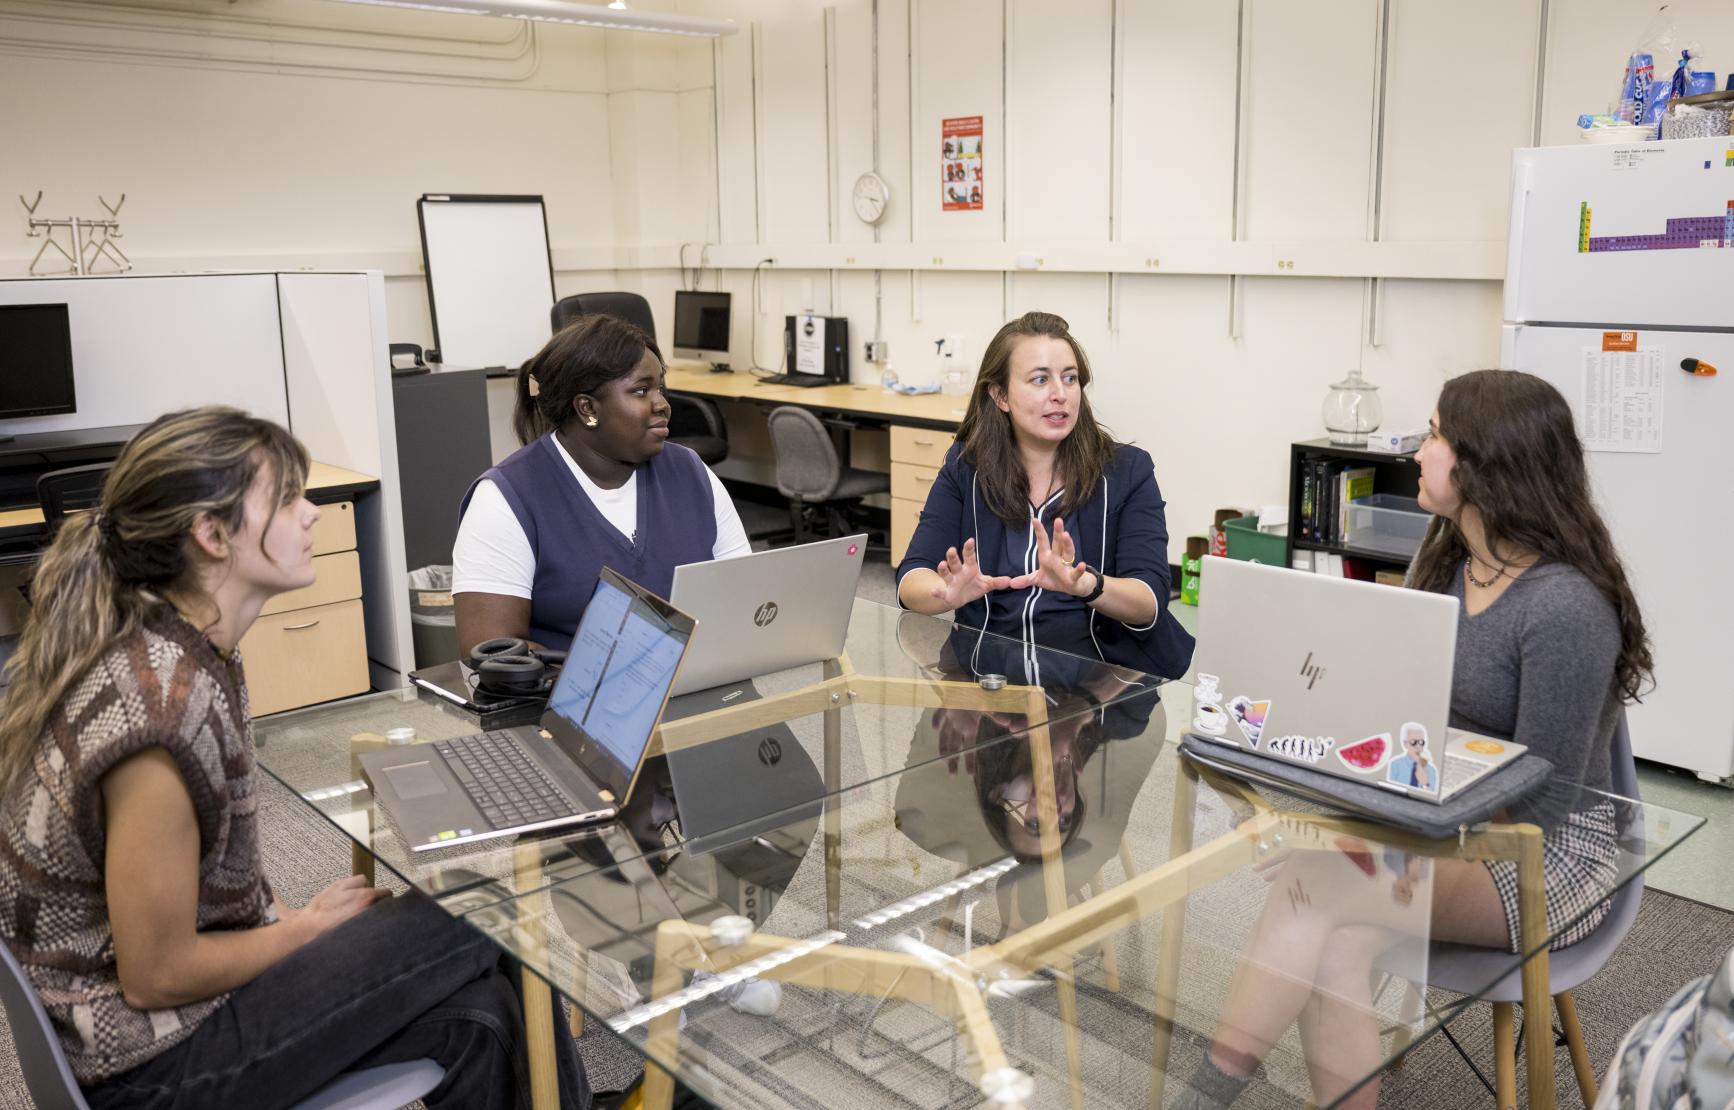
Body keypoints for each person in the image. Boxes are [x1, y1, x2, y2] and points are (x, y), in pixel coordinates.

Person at [0, 407, 589, 1110]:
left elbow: (206, 874)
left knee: (481, 1017)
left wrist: (283, 917)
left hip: (159, 1032)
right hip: (147, 1071)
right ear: (211, 535)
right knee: (483, 911)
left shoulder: (184, 645)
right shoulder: (157, 714)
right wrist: (307, 932)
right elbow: (154, 976)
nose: (311, 515)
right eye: (286, 500)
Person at [1178, 369, 1652, 1110]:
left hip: (1549, 856)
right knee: (1337, 936)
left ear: (1484, 462)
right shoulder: (1451, 564)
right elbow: (1393, 712)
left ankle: (1204, 1095)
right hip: (1444, 817)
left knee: (1314, 884)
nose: (1418, 451)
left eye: (1433, 435)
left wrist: (1402, 846)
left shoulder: (1566, 606)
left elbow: (1548, 806)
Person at [896, 310, 1194, 680]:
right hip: (987, 682)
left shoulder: (1126, 471)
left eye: (1070, 379)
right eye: (1040, 380)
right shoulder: (965, 468)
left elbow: (1149, 600)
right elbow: (912, 579)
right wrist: (947, 592)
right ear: (1000, 395)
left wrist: (1087, 585)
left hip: (1102, 688)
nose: (1060, 394)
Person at [454, 313, 750, 655]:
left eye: (660, 388)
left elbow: (743, 595)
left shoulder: (690, 471)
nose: (662, 405)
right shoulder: (505, 498)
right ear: (587, 408)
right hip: (572, 703)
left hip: (703, 685)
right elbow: (490, 651)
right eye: (641, 391)